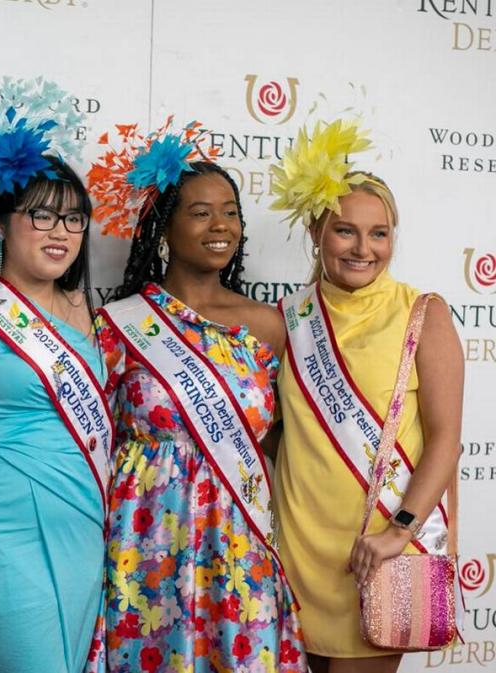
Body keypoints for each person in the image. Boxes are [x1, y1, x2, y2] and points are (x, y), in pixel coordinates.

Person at [89, 120, 307, 673]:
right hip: (146, 537)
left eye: (230, 211)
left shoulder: (268, 327)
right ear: (163, 226)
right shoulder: (120, 325)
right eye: (201, 211)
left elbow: (284, 443)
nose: (221, 225)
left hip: (240, 538)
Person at [0, 79, 112, 673]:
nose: (61, 232)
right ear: (2, 223)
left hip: (83, 531)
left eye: (74, 219)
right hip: (0, 533)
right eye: (41, 216)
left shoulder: (87, 311)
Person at [270, 121, 463, 673]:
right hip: (295, 552)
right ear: (316, 231)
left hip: (380, 550)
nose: (364, 248)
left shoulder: (424, 313)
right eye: (345, 231)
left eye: (379, 233)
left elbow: (446, 440)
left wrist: (399, 531)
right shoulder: (288, 318)